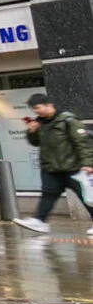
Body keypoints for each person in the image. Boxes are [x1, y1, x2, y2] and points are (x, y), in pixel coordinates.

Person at [19, 94, 93, 231]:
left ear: (49, 105)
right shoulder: (39, 123)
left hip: (73, 167)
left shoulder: (68, 120)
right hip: (51, 168)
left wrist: (88, 164)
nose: (36, 111)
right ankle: (39, 221)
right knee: (48, 195)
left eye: (37, 108)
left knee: (86, 196)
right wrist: (31, 132)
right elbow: (35, 143)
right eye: (33, 109)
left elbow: (82, 143)